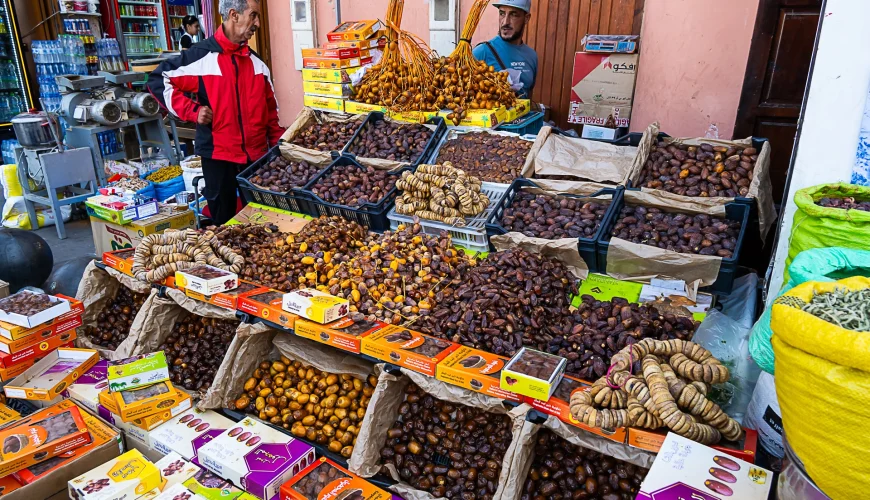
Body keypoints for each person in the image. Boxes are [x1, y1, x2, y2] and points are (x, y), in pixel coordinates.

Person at [147, 0, 284, 225]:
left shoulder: (259, 65)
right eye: (253, 16)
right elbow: (158, 80)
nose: (257, 23)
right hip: (219, 157)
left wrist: (278, 154)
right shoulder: (201, 57)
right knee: (224, 225)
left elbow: (272, 116)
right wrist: (193, 111)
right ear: (234, 15)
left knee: (264, 224)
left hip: (256, 160)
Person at [472, 0, 538, 98]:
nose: (505, 22)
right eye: (502, 13)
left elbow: (528, 100)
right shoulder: (481, 52)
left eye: (513, 15)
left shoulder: (532, 56)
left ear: (526, 18)